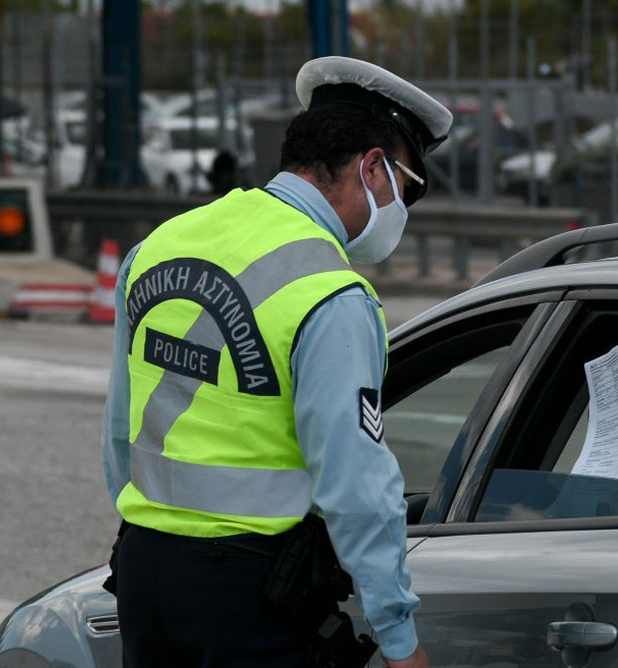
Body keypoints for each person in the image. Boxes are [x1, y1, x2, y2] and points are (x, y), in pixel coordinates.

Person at [100, 56, 450, 668]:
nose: (404, 207)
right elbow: (357, 485)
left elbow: (118, 432)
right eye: (409, 188)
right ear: (372, 167)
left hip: (144, 575)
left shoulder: (159, 244)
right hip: (250, 595)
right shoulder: (330, 293)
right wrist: (398, 637)